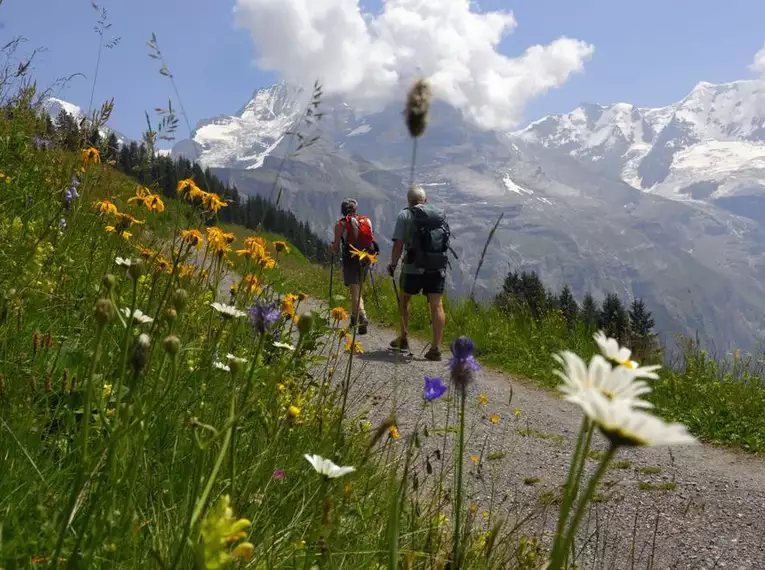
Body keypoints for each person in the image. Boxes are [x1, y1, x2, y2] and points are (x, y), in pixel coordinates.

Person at [386, 185, 448, 361]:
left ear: (408, 201)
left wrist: (393, 264)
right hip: (436, 267)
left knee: (404, 300)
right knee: (437, 306)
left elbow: (398, 244)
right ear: (425, 200)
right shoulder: (438, 214)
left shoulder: (404, 215)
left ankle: (404, 337)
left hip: (412, 268)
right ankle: (435, 348)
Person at [329, 198, 378, 335]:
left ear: (342, 210)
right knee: (358, 289)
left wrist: (331, 247)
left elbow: (336, 247)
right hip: (366, 256)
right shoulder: (366, 221)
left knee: (354, 289)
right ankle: (354, 319)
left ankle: (362, 316)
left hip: (351, 257)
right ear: (355, 210)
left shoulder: (341, 224)